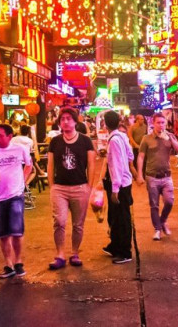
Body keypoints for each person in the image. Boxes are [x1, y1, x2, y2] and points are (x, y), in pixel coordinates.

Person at [47, 107, 96, 269]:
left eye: (69, 118)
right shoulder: (55, 141)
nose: (65, 121)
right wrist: (52, 186)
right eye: (62, 119)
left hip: (80, 187)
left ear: (75, 121)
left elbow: (91, 164)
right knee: (59, 221)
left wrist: (89, 186)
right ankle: (60, 254)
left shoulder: (85, 141)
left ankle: (75, 253)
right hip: (59, 188)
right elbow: (50, 165)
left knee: (78, 224)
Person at [0, 124, 33, 279]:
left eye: (0, 135)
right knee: (3, 234)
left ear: (9, 136)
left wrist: (23, 182)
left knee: (16, 231)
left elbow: (29, 165)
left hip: (15, 195)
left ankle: (18, 261)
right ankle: (8, 264)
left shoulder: (20, 149)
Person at [137, 113, 178, 241]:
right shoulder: (146, 139)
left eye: (163, 122)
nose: (161, 125)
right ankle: (157, 229)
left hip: (166, 176)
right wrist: (139, 174)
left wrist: (171, 139)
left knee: (169, 201)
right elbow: (141, 157)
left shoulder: (169, 136)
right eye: (158, 122)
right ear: (153, 123)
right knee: (154, 205)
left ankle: (162, 221)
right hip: (152, 176)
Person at [102, 110, 135, 264]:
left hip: (120, 184)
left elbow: (116, 165)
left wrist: (115, 189)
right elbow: (130, 156)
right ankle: (115, 246)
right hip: (124, 182)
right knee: (115, 216)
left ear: (105, 124)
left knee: (122, 218)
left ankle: (125, 252)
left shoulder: (115, 140)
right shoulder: (122, 136)